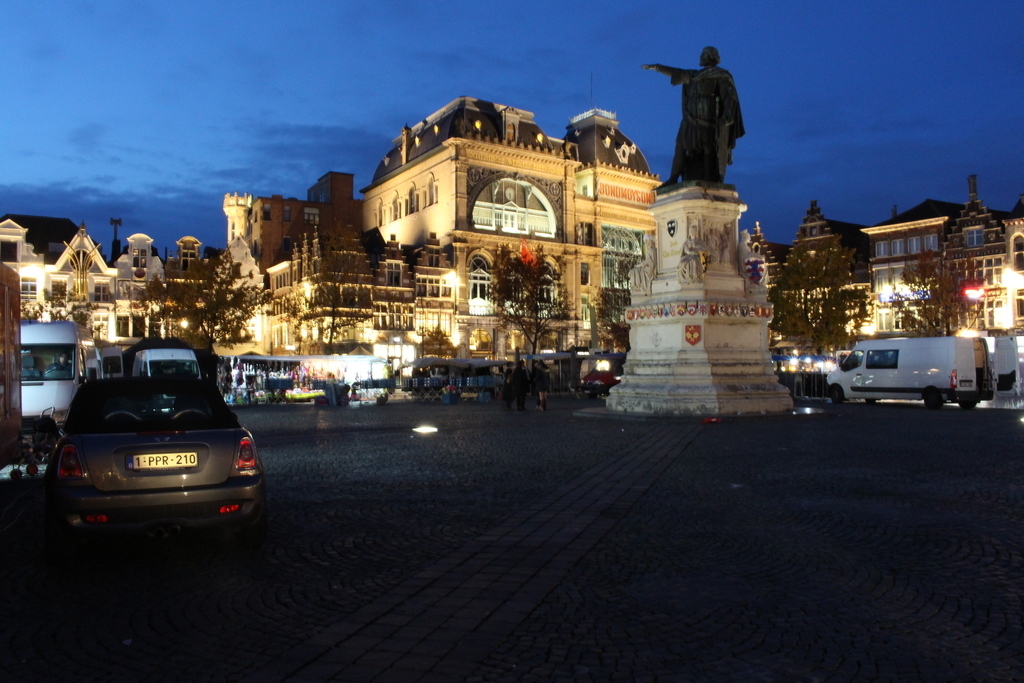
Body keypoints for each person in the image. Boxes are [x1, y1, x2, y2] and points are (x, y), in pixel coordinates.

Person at [643, 46, 744, 185]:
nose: (700, 57)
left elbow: (729, 96)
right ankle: (673, 178)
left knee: (708, 147)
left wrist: (727, 113)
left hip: (707, 118)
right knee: (680, 146)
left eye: (703, 54)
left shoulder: (721, 76)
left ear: (710, 56)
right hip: (689, 119)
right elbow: (676, 72)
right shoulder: (694, 75)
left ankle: (709, 178)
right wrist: (657, 67)